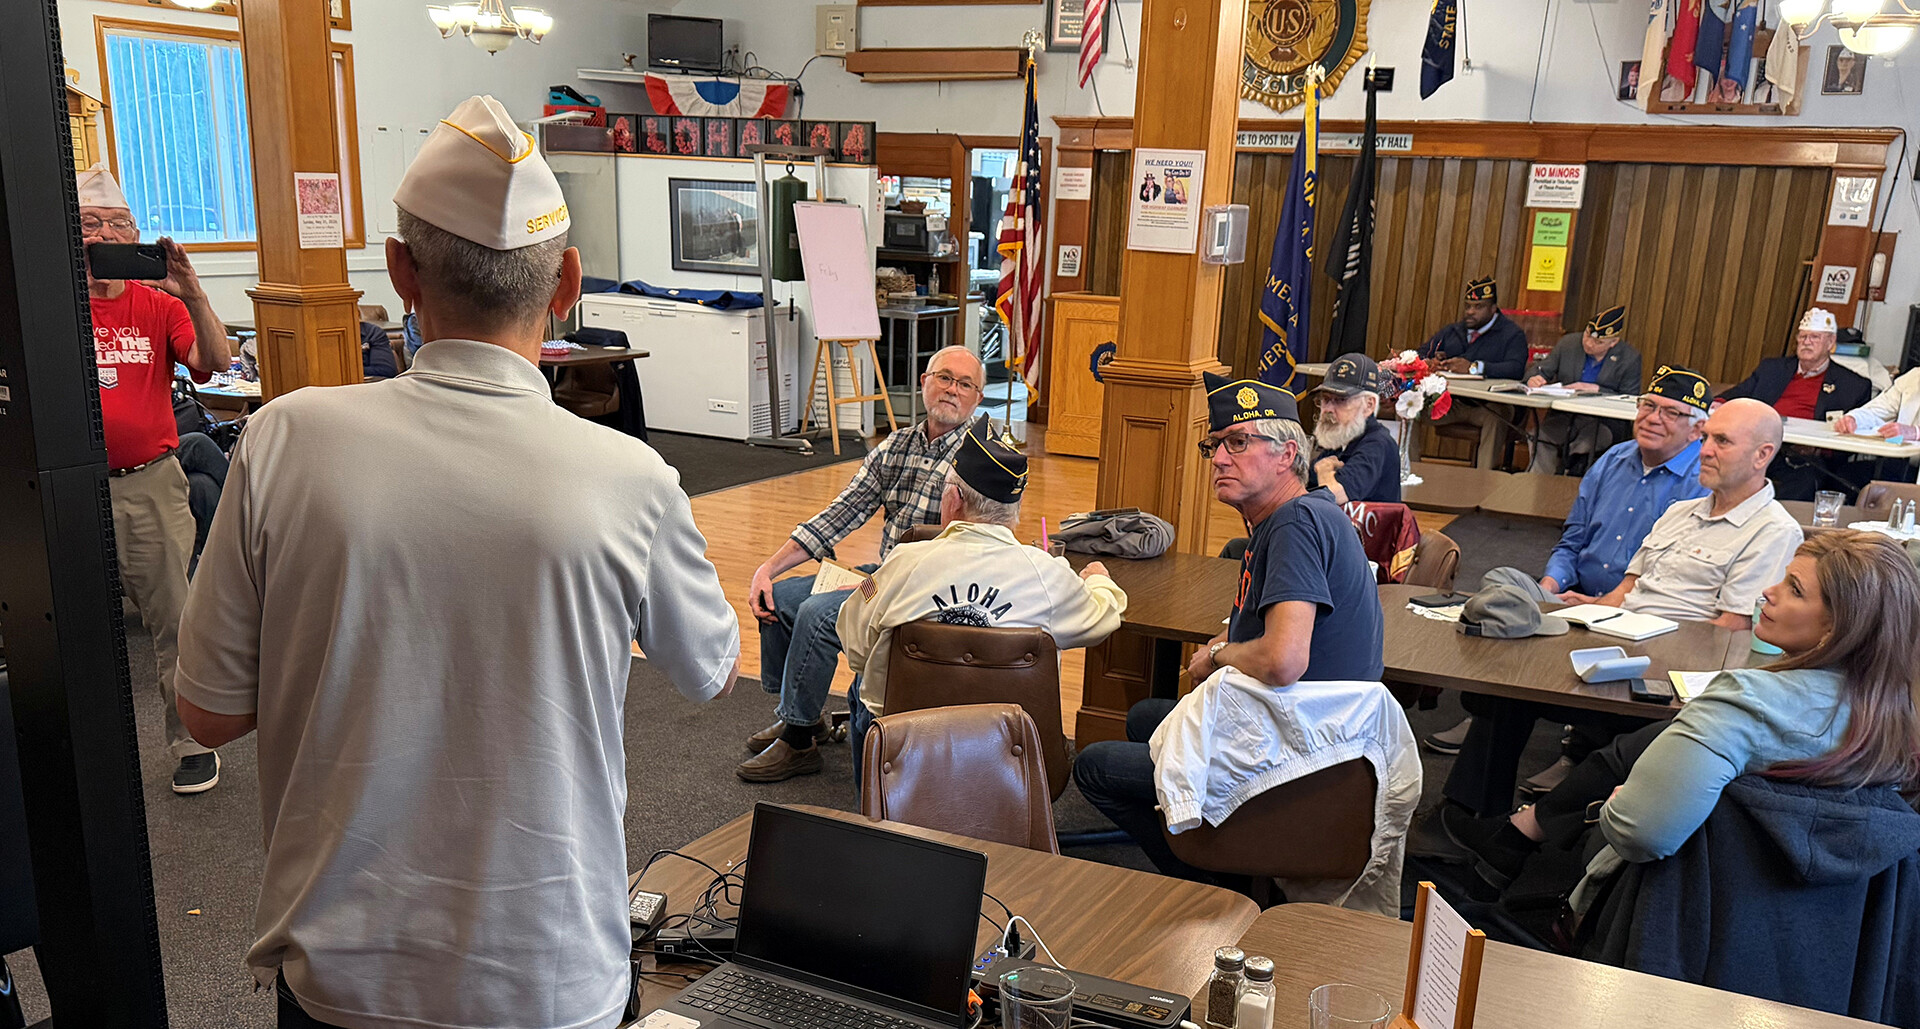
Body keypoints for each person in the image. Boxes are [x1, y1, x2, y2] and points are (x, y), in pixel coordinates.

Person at [172, 95, 741, 1029]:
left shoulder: (282, 438)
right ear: (566, 282)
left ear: (400, 271)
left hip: (344, 980)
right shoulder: (633, 477)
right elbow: (714, 671)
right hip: (553, 981)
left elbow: (209, 709)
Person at [1443, 531, 1920, 899]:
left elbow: (1640, 834)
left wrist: (1613, 807)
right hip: (1822, 925)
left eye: (1793, 589)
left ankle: (1513, 843)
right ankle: (1514, 837)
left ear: (1841, 627)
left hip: (1680, 901)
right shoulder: (1898, 717)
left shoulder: (1745, 703)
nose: (1768, 592)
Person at [1073, 372, 1383, 880]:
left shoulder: (1293, 526)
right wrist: (1228, 641)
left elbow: (1284, 660)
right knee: (1146, 717)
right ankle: (1216, 847)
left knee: (1096, 766)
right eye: (1214, 445)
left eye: (1238, 443)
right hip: (1324, 735)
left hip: (1303, 755)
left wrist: (1217, 656)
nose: (1218, 458)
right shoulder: (1303, 514)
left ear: (1287, 454)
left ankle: (1214, 880)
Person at [1437, 396, 1803, 817]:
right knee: (1509, 647)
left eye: (1722, 441)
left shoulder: (1773, 532)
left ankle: (1515, 828)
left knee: (1516, 678)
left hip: (1662, 677)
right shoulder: (1680, 512)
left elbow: (1730, 631)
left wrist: (1628, 637)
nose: (1704, 450)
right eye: (1705, 438)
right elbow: (1626, 591)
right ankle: (1470, 818)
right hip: (1616, 640)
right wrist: (1584, 607)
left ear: (1762, 455)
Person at [741, 346, 986, 783]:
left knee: (818, 615)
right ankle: (805, 717)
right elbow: (842, 512)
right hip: (883, 573)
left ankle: (798, 745)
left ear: (978, 398)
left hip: (928, 589)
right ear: (923, 382)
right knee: (778, 598)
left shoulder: (981, 459)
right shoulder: (897, 445)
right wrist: (769, 567)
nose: (952, 389)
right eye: (944, 377)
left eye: (965, 384)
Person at [836, 421, 1128, 778]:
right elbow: (1105, 618)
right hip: (1008, 754)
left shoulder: (905, 563)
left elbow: (854, 645)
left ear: (953, 500)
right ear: (1014, 508)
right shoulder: (1046, 574)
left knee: (861, 688)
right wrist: (1099, 582)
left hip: (905, 747)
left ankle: (874, 814)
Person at [77, 162, 233, 794]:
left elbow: (214, 364)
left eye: (121, 223)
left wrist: (191, 289)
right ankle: (80, 754)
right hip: (66, 488)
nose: (109, 234)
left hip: (149, 483)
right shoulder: (50, 301)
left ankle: (191, 743)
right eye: (92, 224)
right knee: (77, 626)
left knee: (174, 619)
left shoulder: (158, 303)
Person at [1718, 308, 1872, 500]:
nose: (1807, 342)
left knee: (1805, 479)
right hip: (1755, 444)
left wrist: (1817, 449)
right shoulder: (1772, 369)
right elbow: (1735, 395)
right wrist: (1716, 406)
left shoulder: (1853, 385)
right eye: (1803, 336)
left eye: (1815, 337)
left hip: (1804, 457)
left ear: (1830, 343)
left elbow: (1854, 437)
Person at [1416, 276, 1530, 468]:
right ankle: (1409, 469)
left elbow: (1516, 368)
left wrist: (1474, 367)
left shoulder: (1511, 334)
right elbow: (1422, 352)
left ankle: (1483, 478)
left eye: (1478, 307)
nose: (1470, 312)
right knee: (1411, 408)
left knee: (1497, 416)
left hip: (1487, 406)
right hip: (1452, 403)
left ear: (1493, 309)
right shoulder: (1453, 331)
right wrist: (1431, 361)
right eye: (1468, 306)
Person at [1525, 305, 1644, 475]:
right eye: (1587, 335)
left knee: (1586, 443)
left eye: (1598, 342)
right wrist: (1534, 378)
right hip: (1565, 417)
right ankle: (1539, 485)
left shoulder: (1629, 358)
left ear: (1614, 342)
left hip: (1603, 422)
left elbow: (1631, 397)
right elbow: (1541, 369)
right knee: (1539, 436)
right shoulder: (1569, 344)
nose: (1589, 343)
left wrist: (1597, 389)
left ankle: (1570, 483)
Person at [1307, 353, 1400, 504]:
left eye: (1341, 400)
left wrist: (1324, 469)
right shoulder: (1343, 438)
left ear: (1369, 405)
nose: (1328, 409)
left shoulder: (1377, 443)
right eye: (1326, 399)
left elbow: (1335, 496)